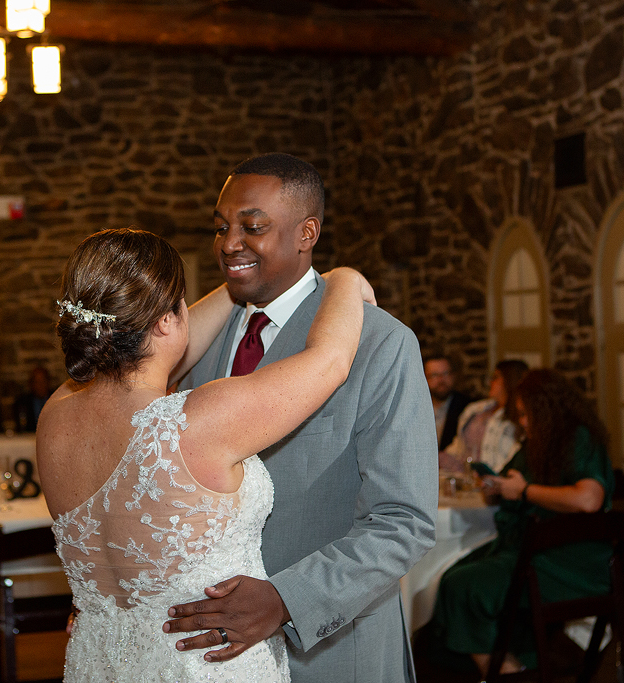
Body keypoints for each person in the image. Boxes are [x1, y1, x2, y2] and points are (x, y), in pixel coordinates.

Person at [37, 227, 373, 681]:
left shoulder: (55, 415)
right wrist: (345, 278)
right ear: (165, 319)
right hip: (203, 666)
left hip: (99, 664)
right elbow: (331, 361)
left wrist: (236, 286)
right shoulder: (196, 420)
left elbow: (147, 349)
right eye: (180, 307)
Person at [166, 153, 438, 682]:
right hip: (207, 655)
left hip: (331, 651)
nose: (228, 243)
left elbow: (404, 520)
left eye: (253, 226)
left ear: (306, 232)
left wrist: (286, 600)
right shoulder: (194, 346)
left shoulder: (380, 343)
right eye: (221, 227)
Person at [428, 368, 615, 676]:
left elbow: (588, 499)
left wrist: (524, 491)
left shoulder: (578, 438)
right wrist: (497, 486)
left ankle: (506, 670)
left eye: (526, 415)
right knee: (452, 577)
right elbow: (510, 482)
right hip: (535, 550)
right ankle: (508, 661)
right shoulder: (537, 444)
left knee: (464, 586)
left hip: (571, 562)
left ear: (548, 410)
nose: (523, 423)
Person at [438, 359, 528, 474]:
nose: (491, 382)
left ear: (509, 381)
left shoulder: (517, 418)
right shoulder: (477, 409)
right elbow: (459, 444)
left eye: (496, 378)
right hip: (463, 474)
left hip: (493, 479)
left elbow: (512, 457)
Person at [424, 354, 474, 450]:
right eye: (434, 375)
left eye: (445, 373)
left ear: (454, 376)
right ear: (425, 378)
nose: (441, 380)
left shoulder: (467, 407)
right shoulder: (418, 408)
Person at [12, 365, 52, 432]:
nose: (40, 385)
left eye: (43, 381)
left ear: (48, 382)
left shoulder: (57, 400)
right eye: (37, 382)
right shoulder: (22, 402)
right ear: (31, 384)